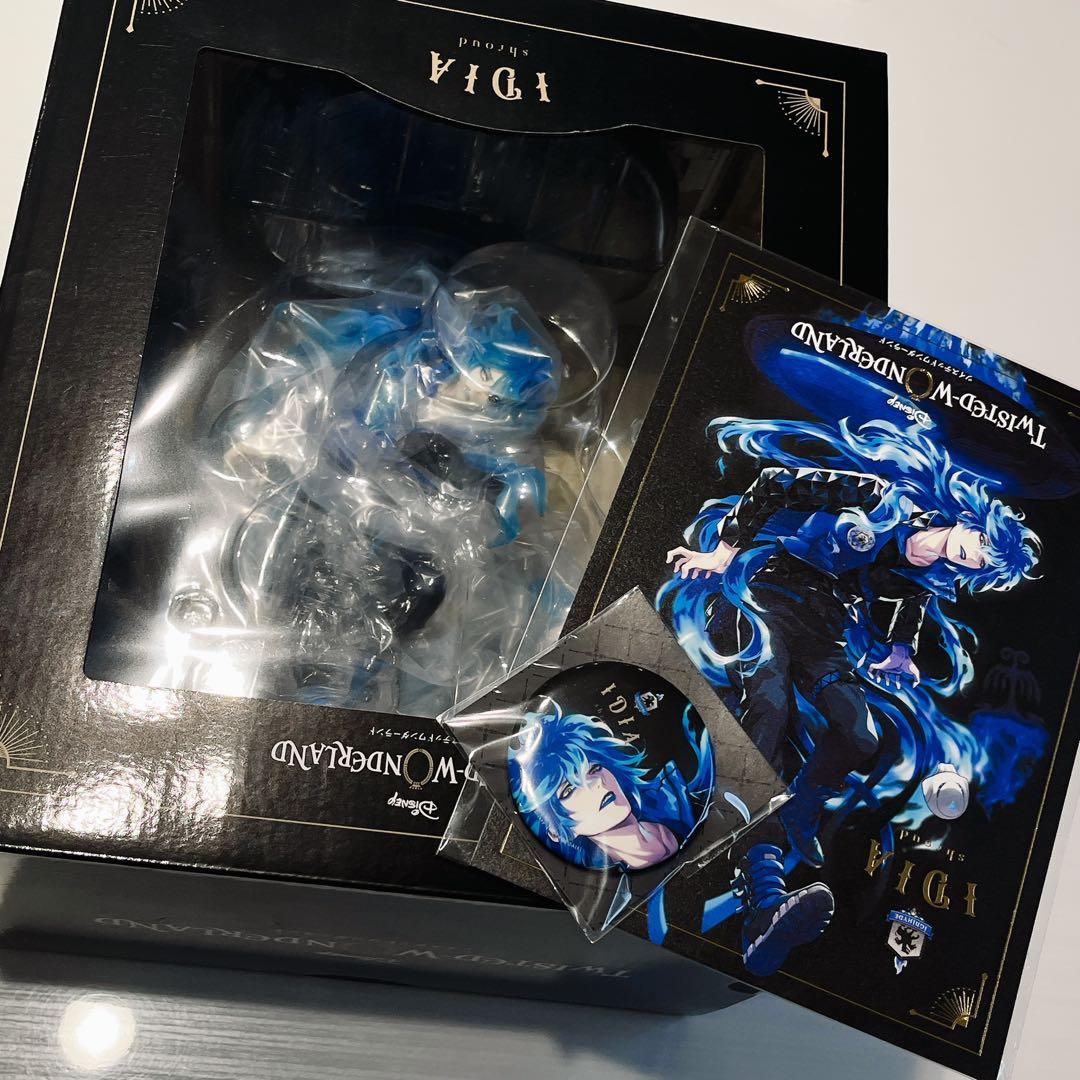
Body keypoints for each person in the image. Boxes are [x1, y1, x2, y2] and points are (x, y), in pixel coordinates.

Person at [508, 703, 714, 871]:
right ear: (555, 831)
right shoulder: (613, 885)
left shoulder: (682, 796)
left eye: (594, 768)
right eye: (568, 790)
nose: (596, 782)